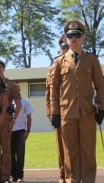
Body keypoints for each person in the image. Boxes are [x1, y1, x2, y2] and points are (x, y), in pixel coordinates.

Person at [50, 20, 104, 183]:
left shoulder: (92, 60)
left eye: (77, 35)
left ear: (83, 38)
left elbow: (101, 86)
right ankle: (71, 180)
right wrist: (54, 112)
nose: (73, 39)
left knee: (88, 151)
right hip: (67, 113)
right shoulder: (59, 62)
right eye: (70, 36)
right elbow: (54, 88)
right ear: (65, 39)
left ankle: (88, 180)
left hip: (87, 112)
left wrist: (102, 108)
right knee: (69, 152)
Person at [0, 60, 22, 183]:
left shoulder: (10, 84)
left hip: (5, 119)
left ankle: (5, 176)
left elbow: (18, 104)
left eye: (0, 66)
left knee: (6, 148)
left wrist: (13, 119)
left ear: (4, 69)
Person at [45, 35, 69, 183]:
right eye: (63, 47)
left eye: (66, 47)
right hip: (58, 112)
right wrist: (50, 112)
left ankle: (75, 175)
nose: (64, 50)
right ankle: (62, 175)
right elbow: (48, 91)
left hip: (74, 110)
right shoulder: (53, 66)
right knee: (61, 146)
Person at [11, 97, 33, 182]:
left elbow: (29, 116)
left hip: (21, 132)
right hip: (9, 132)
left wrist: (28, 131)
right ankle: (13, 176)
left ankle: (20, 176)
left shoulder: (25, 102)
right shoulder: (8, 101)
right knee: (11, 155)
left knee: (20, 154)